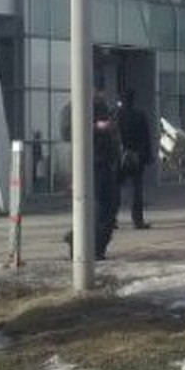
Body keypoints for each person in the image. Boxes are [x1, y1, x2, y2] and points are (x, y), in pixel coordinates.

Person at [61, 91, 120, 259]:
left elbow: (112, 133)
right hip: (90, 163)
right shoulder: (74, 108)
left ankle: (94, 245)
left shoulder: (102, 107)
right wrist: (96, 127)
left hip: (105, 162)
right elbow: (67, 132)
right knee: (98, 208)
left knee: (109, 208)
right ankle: (84, 245)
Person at [114, 91, 154, 229]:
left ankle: (112, 219)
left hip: (120, 157)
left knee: (115, 188)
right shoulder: (139, 115)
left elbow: (113, 137)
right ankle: (138, 220)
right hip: (136, 156)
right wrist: (147, 157)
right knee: (136, 189)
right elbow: (145, 138)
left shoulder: (116, 115)